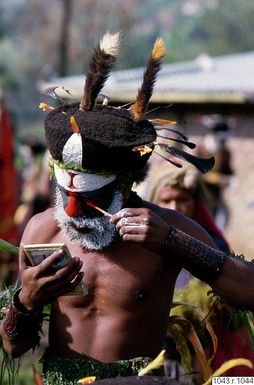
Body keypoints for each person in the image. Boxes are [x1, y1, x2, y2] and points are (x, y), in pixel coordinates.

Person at [0, 33, 254, 385]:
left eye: (91, 200)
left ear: (124, 183)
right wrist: (25, 301)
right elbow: (14, 348)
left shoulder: (166, 229)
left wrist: (173, 243)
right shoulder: (42, 231)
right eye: (65, 195)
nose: (73, 212)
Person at [146, 164, 254, 379]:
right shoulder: (140, 246)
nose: (174, 206)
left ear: (196, 204)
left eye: (182, 199)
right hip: (156, 349)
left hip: (207, 347)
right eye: (166, 200)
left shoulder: (212, 247)